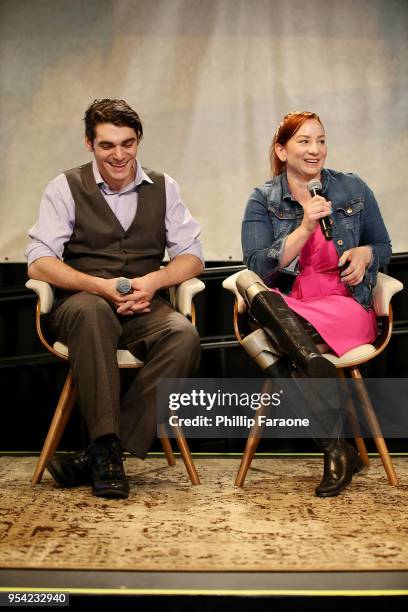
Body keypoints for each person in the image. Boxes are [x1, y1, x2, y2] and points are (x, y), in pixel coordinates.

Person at [26, 98, 204, 499]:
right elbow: (39, 263)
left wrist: (155, 282)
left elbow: (192, 256)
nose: (119, 154)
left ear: (138, 140)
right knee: (94, 315)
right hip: (82, 304)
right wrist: (99, 286)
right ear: (89, 144)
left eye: (127, 143)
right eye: (107, 145)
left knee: (184, 335)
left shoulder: (164, 186)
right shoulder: (65, 186)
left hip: (144, 305)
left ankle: (106, 451)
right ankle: (105, 444)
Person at [241, 111, 391, 497]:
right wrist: (305, 225)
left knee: (263, 344)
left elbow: (383, 246)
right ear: (282, 149)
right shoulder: (263, 199)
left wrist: (365, 255)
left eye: (321, 140)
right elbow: (259, 267)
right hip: (292, 304)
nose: (315, 150)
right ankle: (336, 446)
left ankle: (332, 435)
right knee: (248, 286)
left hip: (345, 303)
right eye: (304, 141)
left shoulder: (352, 188)